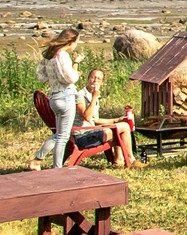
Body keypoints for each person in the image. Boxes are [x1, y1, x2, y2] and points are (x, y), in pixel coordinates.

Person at [34, 27, 82, 169]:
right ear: (71, 41)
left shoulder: (50, 55)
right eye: (76, 42)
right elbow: (70, 78)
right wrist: (77, 67)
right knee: (62, 137)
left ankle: (40, 159)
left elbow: (40, 76)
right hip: (66, 96)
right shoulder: (63, 55)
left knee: (59, 135)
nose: (76, 45)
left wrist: (52, 79)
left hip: (54, 97)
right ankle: (55, 167)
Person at [77, 68, 139, 167]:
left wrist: (117, 120)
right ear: (88, 79)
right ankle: (130, 160)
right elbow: (87, 117)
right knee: (123, 128)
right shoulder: (81, 95)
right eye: (93, 77)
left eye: (98, 79)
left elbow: (95, 120)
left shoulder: (92, 95)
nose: (95, 80)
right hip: (82, 136)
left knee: (121, 127)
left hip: (90, 132)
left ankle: (119, 160)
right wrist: (94, 97)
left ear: (102, 83)